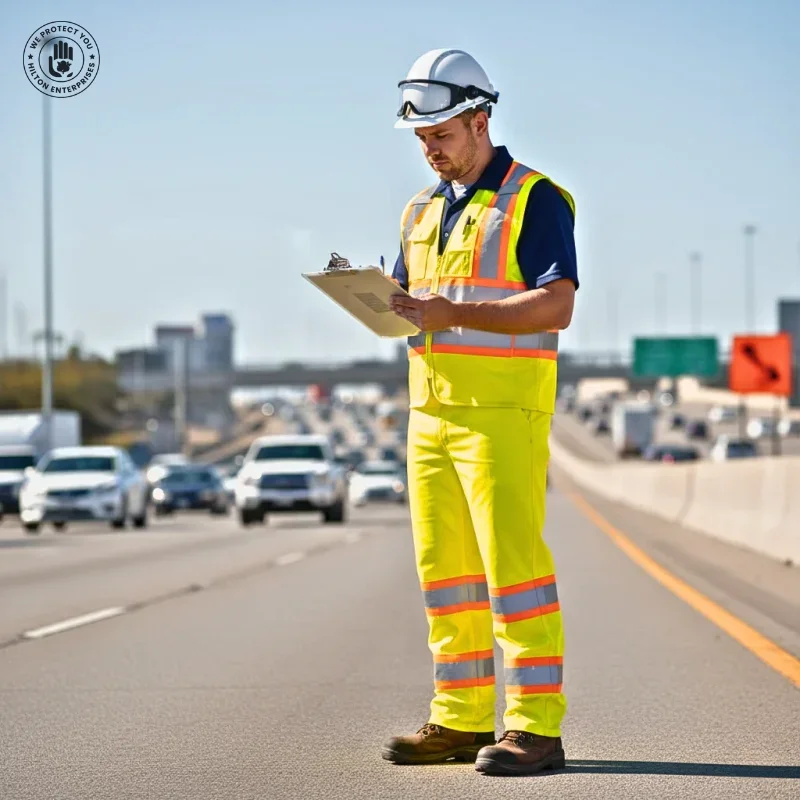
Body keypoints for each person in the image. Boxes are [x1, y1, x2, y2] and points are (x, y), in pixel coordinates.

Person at [381, 48, 579, 777]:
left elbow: (557, 302)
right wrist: (373, 299)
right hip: (429, 413)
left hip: (502, 413)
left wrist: (450, 310)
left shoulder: (535, 199)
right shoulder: (419, 211)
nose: (430, 151)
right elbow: (411, 306)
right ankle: (460, 720)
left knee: (513, 573)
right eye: (422, 140)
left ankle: (535, 729)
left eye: (441, 136)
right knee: (447, 577)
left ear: (479, 119)